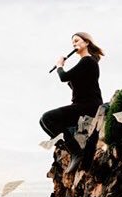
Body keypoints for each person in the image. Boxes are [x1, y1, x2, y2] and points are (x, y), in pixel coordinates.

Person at [39, 32, 105, 173]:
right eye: (72, 43)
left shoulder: (88, 60)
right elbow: (74, 83)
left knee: (47, 117)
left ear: (86, 43)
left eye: (77, 41)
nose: (74, 44)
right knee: (43, 122)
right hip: (80, 105)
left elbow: (64, 77)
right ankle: (70, 148)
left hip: (89, 105)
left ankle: (76, 152)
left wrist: (59, 66)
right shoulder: (85, 63)